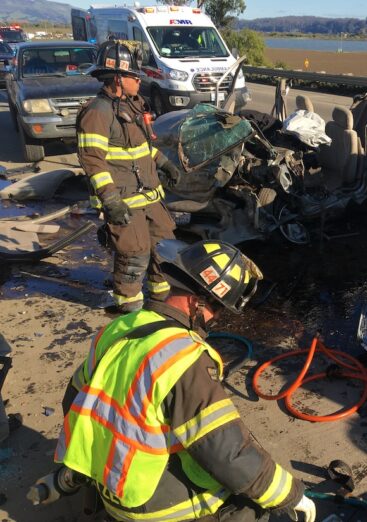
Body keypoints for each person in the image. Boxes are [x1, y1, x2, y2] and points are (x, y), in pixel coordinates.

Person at [49, 239, 317, 522]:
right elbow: (224, 450)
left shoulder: (119, 328)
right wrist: (290, 494)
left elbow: (74, 401)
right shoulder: (184, 358)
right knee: (251, 506)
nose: (216, 318)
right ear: (197, 301)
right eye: (219, 308)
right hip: (147, 502)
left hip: (109, 481)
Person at [77, 40, 183, 313]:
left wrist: (165, 164)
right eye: (133, 75)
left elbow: (142, 148)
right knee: (134, 253)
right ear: (116, 79)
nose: (140, 79)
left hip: (149, 195)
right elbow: (92, 161)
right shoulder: (97, 113)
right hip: (123, 199)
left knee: (165, 247)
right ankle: (128, 309)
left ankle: (162, 302)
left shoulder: (134, 106)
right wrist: (110, 200)